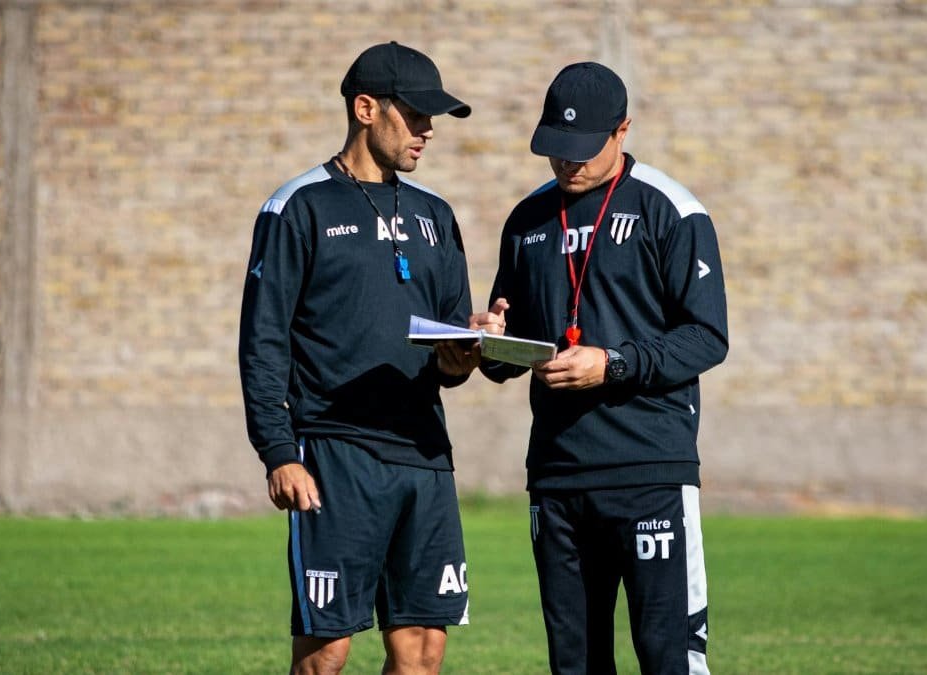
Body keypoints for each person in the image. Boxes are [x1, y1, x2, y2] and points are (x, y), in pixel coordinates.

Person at [471, 62, 728, 675]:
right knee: (576, 665)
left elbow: (707, 338)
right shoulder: (526, 221)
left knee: (669, 657)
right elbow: (511, 359)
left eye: (584, 149)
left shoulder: (672, 209)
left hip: (649, 471)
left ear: (623, 130)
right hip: (557, 479)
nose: (568, 163)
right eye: (556, 150)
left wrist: (611, 365)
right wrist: (493, 341)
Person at [238, 41, 478, 675]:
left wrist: (469, 350)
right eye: (416, 114)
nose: (428, 130)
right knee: (326, 653)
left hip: (425, 456)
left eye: (434, 118)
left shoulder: (436, 215)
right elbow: (263, 340)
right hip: (335, 455)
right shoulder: (298, 206)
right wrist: (279, 451)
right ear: (365, 108)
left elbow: (447, 356)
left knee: (423, 650)